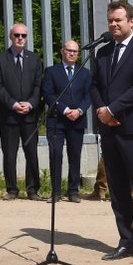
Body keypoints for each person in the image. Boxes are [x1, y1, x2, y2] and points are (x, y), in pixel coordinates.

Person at [90, 1, 133, 265]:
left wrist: (113, 109)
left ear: (132, 22)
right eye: (110, 21)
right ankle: (126, 242)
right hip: (109, 129)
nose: (113, 25)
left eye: (118, 20)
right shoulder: (103, 52)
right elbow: (94, 85)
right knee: (117, 190)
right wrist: (101, 110)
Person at [0, 23, 43, 201]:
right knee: (10, 153)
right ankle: (12, 189)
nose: (20, 38)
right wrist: (13, 104)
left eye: (23, 36)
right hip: (9, 115)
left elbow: (38, 85)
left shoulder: (35, 58)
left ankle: (32, 189)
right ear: (10, 37)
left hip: (29, 115)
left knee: (31, 152)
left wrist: (30, 104)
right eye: (17, 35)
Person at [42, 40, 91, 203]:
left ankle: (73, 191)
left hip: (77, 120)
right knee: (56, 155)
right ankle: (55, 192)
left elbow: (88, 95)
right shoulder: (51, 72)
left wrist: (79, 111)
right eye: (69, 50)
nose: (72, 54)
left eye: (75, 51)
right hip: (57, 120)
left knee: (75, 155)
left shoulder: (84, 73)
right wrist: (64, 110)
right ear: (62, 51)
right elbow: (48, 94)